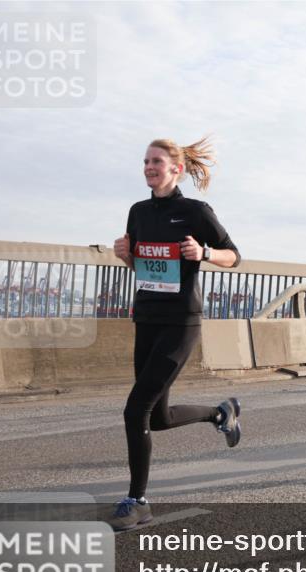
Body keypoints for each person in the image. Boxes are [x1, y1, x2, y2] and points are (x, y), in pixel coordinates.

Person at [109, 136, 242, 530]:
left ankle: (138, 501)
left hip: (180, 323)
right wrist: (126, 256)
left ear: (175, 169)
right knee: (160, 417)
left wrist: (203, 253)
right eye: (146, 161)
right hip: (147, 318)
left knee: (136, 410)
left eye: (156, 162)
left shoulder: (195, 212)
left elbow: (235, 255)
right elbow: (143, 268)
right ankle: (221, 413)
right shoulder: (137, 212)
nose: (149, 167)